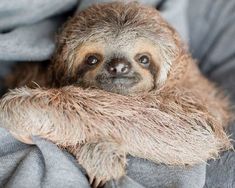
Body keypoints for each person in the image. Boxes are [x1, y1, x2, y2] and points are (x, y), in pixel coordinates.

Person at [0, 0, 234, 187]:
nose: (119, 66)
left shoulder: (186, 83)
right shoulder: (40, 77)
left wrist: (67, 115)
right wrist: (84, 142)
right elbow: (16, 115)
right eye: (93, 59)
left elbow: (201, 135)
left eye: (143, 60)